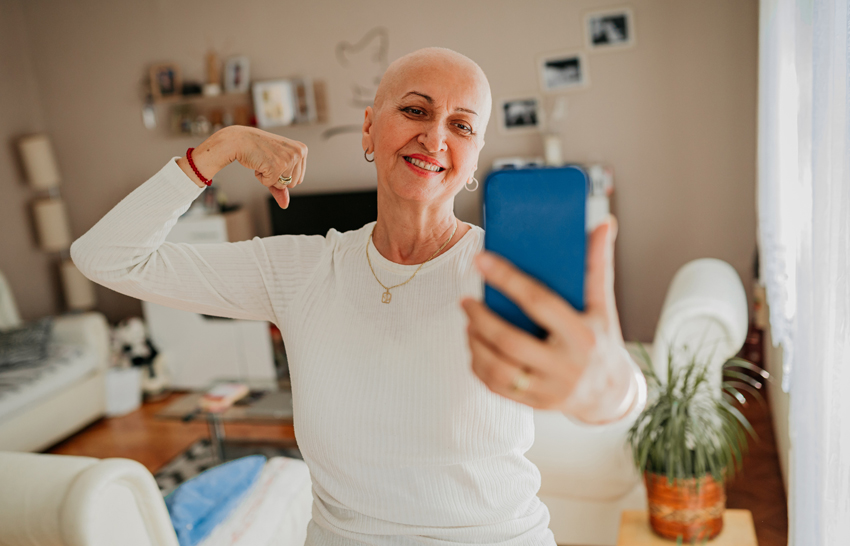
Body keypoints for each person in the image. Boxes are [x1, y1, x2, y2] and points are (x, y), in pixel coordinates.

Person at [72, 47, 645, 545]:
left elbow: (614, 391)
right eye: (416, 110)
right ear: (369, 129)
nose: (435, 136)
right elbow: (107, 257)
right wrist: (218, 150)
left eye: (462, 126)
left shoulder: (511, 271)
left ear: (473, 160)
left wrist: (611, 388)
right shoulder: (297, 269)